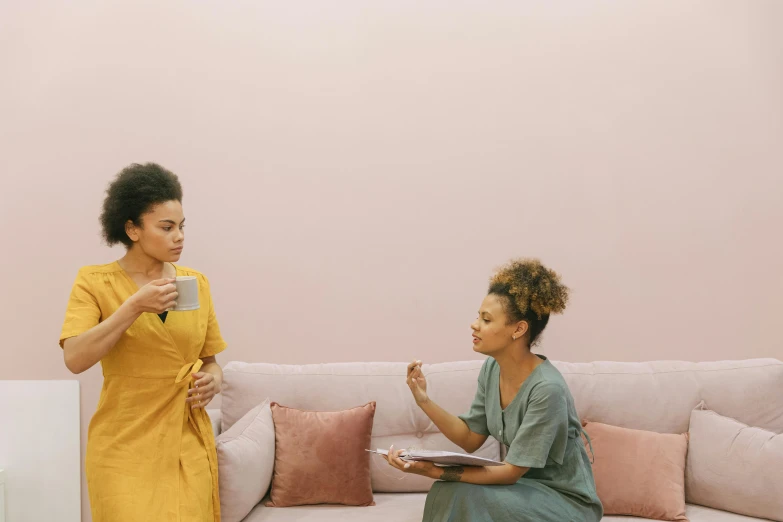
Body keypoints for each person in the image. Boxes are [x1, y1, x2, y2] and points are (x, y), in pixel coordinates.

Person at [59, 163, 227, 522]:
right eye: (166, 228)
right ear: (132, 228)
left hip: (186, 444)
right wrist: (133, 307)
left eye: (181, 227)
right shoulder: (94, 282)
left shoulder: (196, 282)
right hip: (123, 445)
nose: (178, 236)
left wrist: (214, 379)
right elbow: (74, 358)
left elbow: (209, 359)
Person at [383, 258, 602, 521]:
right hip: (522, 490)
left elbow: (511, 472)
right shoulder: (492, 368)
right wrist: (423, 400)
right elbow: (470, 438)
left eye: (486, 320)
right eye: (478, 316)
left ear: (519, 329)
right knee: (447, 490)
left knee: (458, 492)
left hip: (563, 500)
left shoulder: (547, 389)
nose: (474, 325)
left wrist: (432, 471)